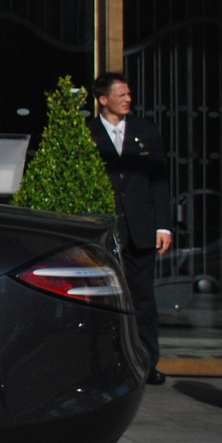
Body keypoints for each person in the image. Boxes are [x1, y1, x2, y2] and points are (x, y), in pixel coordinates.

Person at [87, 72, 172, 386]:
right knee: (104, 302)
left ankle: (149, 364)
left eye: (128, 94)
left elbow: (159, 182)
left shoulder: (145, 132)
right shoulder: (88, 133)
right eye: (121, 94)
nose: (128, 99)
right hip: (106, 231)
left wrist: (163, 226)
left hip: (141, 229)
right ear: (103, 99)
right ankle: (106, 365)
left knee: (143, 299)